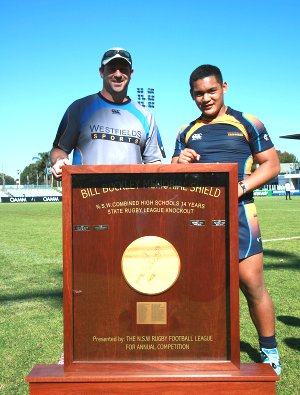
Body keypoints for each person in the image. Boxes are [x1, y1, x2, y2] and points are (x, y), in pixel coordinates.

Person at [172, 64, 282, 375]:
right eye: (198, 94)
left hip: (241, 214)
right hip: (198, 217)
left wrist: (242, 187)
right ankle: (203, 346)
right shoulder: (186, 130)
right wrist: (179, 161)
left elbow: (271, 165)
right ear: (191, 95)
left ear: (224, 87)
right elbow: (173, 172)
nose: (205, 98)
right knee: (200, 286)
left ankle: (269, 351)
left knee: (252, 285)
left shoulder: (248, 122)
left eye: (211, 91)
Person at [50, 47, 165, 179]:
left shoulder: (146, 116)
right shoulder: (79, 108)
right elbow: (58, 149)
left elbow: (153, 163)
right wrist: (59, 161)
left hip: (131, 198)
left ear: (131, 73)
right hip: (86, 196)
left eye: (123, 69)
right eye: (112, 69)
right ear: (101, 72)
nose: (117, 74)